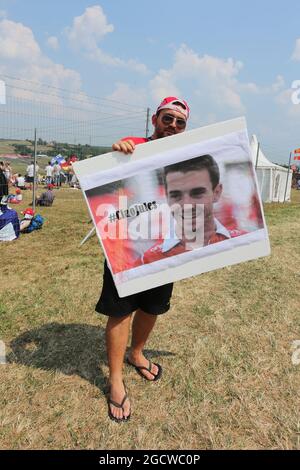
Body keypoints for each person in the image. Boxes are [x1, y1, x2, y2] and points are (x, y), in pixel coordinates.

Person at [96, 96, 190, 422]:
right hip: (125, 245)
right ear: (155, 120)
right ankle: (115, 379)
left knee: (153, 307)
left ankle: (136, 354)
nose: (173, 126)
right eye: (168, 119)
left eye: (180, 122)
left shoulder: (186, 153)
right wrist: (117, 152)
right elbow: (108, 176)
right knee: (121, 310)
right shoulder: (136, 146)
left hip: (166, 246)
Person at [141, 155, 246, 263]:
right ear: (167, 197)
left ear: (216, 193)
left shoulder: (245, 242)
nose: (187, 205)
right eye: (176, 195)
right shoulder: (148, 260)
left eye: (197, 193)